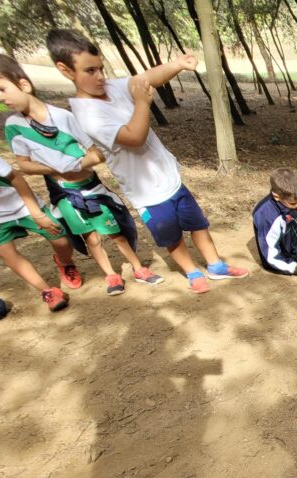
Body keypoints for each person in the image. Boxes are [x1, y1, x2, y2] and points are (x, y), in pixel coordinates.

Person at [47, 29, 249, 294]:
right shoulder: (87, 114)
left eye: (101, 68)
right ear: (65, 70)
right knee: (171, 236)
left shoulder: (111, 88)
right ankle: (192, 272)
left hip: (169, 178)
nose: (100, 77)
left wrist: (177, 64)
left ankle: (216, 265)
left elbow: (145, 79)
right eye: (90, 71)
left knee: (198, 224)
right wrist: (142, 103)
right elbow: (135, 137)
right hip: (147, 192)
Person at [0, 51, 160, 297]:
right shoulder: (14, 127)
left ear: (24, 85)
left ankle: (138, 268)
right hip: (63, 192)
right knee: (91, 237)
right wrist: (58, 167)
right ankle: (110, 275)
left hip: (90, 187)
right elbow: (24, 165)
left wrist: (76, 163)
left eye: (1, 89)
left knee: (115, 232)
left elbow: (96, 153)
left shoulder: (64, 117)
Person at [0, 134, 74, 311]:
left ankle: (65, 263)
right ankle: (47, 291)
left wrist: (36, 213)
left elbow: (15, 177)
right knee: (5, 253)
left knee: (61, 240)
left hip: (20, 203)